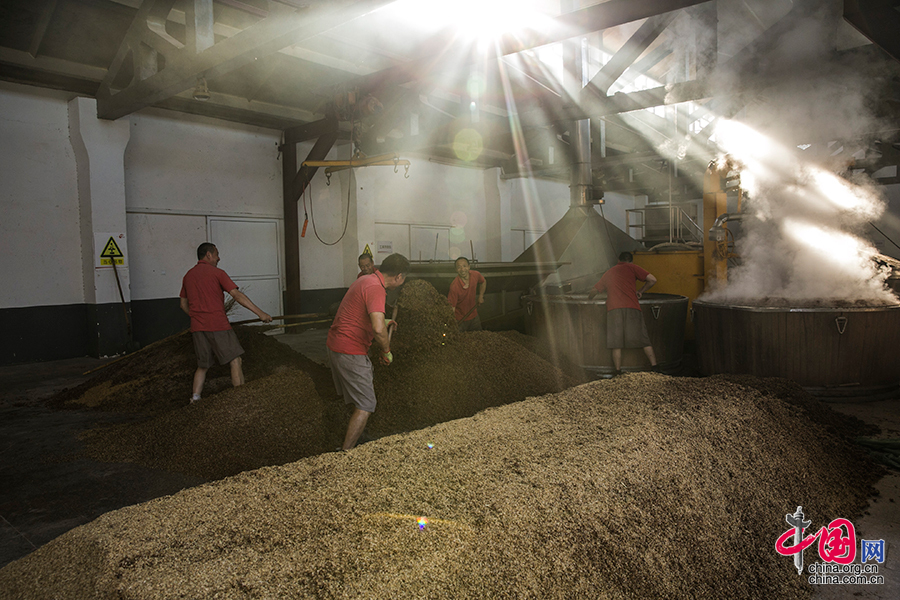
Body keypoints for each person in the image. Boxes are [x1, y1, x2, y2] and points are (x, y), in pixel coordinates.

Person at [327, 252, 409, 450]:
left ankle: (357, 434)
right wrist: (386, 351)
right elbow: (378, 329)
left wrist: (385, 320)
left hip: (336, 344)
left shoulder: (366, 280)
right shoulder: (376, 288)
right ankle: (346, 451)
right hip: (350, 350)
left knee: (356, 398)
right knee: (366, 404)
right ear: (398, 277)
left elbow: (362, 314)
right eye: (404, 277)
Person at [180, 242, 272, 402]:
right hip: (217, 325)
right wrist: (261, 313)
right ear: (208, 255)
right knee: (235, 360)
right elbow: (237, 295)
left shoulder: (188, 275)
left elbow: (183, 304)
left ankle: (195, 398)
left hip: (197, 328)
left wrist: (197, 317)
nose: (218, 258)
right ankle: (241, 397)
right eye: (216, 254)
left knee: (203, 365)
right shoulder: (217, 273)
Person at [587, 251, 658, 376]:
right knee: (644, 339)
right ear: (631, 261)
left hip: (614, 309)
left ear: (618, 260)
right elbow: (652, 280)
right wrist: (640, 291)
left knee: (616, 343)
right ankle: (655, 368)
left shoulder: (610, 272)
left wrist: (589, 298)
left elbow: (595, 290)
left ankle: (618, 372)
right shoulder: (633, 268)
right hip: (632, 307)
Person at [447, 256, 486, 332]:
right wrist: (451, 323)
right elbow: (452, 308)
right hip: (460, 320)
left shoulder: (475, 275)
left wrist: (481, 296)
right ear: (456, 270)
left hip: (474, 317)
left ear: (469, 267)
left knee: (479, 338)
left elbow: (483, 281)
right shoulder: (454, 286)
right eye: (459, 267)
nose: (462, 270)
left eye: (464, 266)